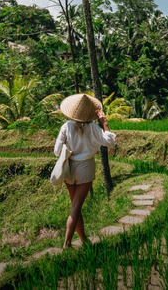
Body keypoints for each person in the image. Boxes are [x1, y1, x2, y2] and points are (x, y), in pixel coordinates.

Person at [53, 93, 117, 247]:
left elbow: (57, 151)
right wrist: (105, 123)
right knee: (76, 206)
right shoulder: (94, 127)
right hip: (86, 168)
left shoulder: (66, 126)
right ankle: (67, 243)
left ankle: (83, 240)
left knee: (76, 206)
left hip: (68, 168)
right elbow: (110, 142)